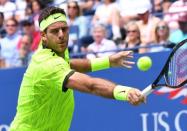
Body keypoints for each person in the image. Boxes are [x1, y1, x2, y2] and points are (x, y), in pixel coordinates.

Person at [10, 6, 145, 131]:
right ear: (43, 36)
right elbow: (90, 85)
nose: (61, 34)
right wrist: (125, 92)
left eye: (64, 29)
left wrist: (108, 61)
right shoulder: (47, 64)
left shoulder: (57, 48)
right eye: (55, 31)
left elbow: (69, 64)